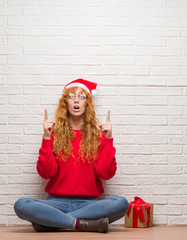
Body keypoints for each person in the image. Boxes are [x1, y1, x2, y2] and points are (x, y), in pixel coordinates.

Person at [14, 79, 129, 233]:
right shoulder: (54, 134)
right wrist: (47, 138)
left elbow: (106, 174)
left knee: (120, 202)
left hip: (89, 204)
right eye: (71, 96)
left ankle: (53, 221)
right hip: (56, 203)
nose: (76, 100)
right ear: (65, 103)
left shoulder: (98, 136)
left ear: (87, 103)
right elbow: (46, 173)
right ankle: (81, 224)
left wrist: (108, 140)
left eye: (82, 97)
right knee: (22, 204)